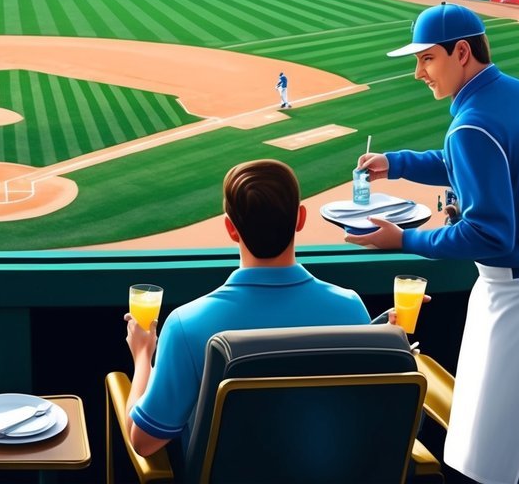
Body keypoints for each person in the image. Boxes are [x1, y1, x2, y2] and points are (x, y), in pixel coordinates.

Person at [346, 1, 519, 484]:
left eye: (427, 58)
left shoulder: (470, 124)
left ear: (461, 52)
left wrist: (404, 239)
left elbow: (488, 233)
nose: (418, 72)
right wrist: (395, 163)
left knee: (496, 467)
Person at [124, 159, 370, 457]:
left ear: (230, 228)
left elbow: (144, 442)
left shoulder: (186, 325)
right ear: (300, 218)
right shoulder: (351, 310)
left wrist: (142, 356)